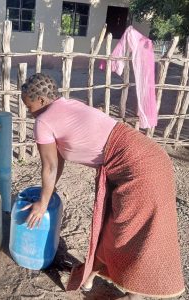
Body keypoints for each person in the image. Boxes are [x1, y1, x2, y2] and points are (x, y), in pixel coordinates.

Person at [20, 73, 185, 300]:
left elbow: (49, 166)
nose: (29, 112)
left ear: (40, 100)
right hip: (150, 156)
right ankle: (91, 276)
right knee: (109, 224)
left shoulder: (43, 120)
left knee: (128, 231)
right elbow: (57, 161)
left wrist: (42, 203)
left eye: (29, 106)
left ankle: (134, 293)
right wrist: (48, 191)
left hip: (139, 169)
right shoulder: (68, 106)